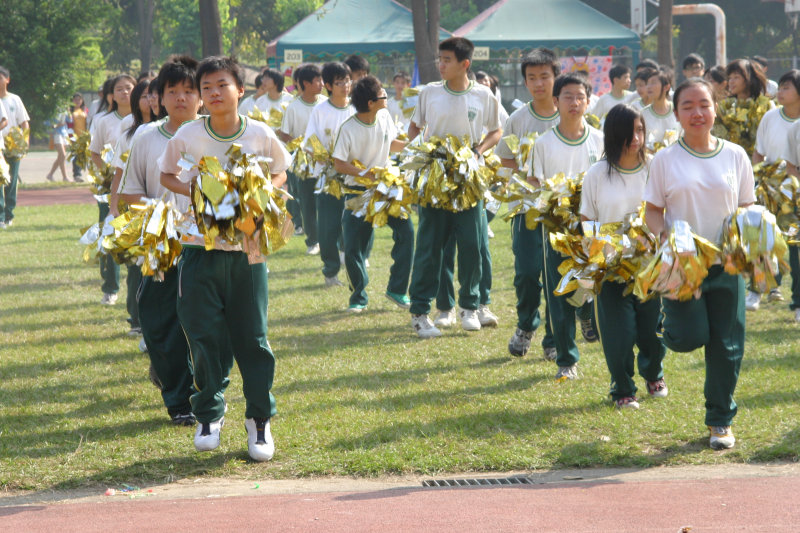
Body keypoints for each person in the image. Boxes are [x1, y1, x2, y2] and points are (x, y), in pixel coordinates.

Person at [159, 56, 290, 462]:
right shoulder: (188, 136)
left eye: (222, 85)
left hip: (247, 251)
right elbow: (167, 174)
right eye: (207, 88)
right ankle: (210, 413)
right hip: (199, 248)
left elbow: (281, 171)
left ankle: (259, 420)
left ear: (240, 89)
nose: (214, 93)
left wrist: (260, 191)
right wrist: (197, 192)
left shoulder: (261, 134)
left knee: (252, 337)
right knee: (202, 334)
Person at [644, 78, 754, 450]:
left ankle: (720, 421)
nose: (697, 112)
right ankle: (668, 322)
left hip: (726, 264)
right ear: (676, 113)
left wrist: (749, 228)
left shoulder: (735, 155)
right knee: (690, 337)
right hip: (683, 265)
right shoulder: (665, 159)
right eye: (688, 106)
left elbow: (745, 205)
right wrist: (666, 238)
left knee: (727, 345)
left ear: (715, 108)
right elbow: (653, 212)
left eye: (704, 104)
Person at [119, 55, 208, 426]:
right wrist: (161, 215)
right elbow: (130, 192)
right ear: (159, 97)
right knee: (158, 321)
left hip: (205, 243)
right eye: (173, 91)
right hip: (160, 242)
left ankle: (202, 392)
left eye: (189, 91)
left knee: (202, 322)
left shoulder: (211, 133)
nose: (181, 98)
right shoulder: (145, 136)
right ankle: (178, 398)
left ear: (201, 96)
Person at [407, 36, 501, 338]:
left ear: (465, 64)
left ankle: (469, 306)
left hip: (469, 179)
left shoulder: (484, 95)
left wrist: (478, 151)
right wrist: (418, 155)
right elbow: (415, 127)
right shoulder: (429, 93)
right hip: (434, 178)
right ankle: (421, 312)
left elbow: (496, 130)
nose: (441, 65)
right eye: (440, 59)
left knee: (473, 246)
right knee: (429, 247)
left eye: (447, 60)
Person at [580, 104, 666, 409]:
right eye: (628, 131)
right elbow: (587, 218)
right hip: (612, 267)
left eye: (640, 130)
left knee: (651, 329)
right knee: (618, 333)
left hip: (649, 266)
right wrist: (595, 253)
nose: (635, 138)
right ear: (613, 134)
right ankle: (623, 389)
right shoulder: (597, 173)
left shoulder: (654, 167)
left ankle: (653, 373)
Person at [529, 73, 603, 380]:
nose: (575, 103)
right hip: (558, 231)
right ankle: (566, 359)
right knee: (559, 292)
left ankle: (586, 312)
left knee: (591, 286)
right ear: (556, 101)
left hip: (594, 227)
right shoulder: (543, 144)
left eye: (580, 97)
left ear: (588, 101)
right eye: (568, 97)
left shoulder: (599, 140)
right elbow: (534, 184)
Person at [495, 48, 561, 359]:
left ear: (555, 77)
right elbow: (505, 157)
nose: (538, 83)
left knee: (558, 274)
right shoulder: (517, 119)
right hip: (525, 208)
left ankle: (554, 337)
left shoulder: (569, 115)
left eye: (544, 76)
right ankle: (526, 325)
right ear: (524, 81)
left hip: (563, 210)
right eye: (532, 78)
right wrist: (526, 174)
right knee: (526, 271)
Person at [332, 75, 413, 312]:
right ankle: (358, 296)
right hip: (358, 191)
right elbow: (339, 163)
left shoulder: (385, 116)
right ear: (370, 102)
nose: (387, 96)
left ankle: (397, 289)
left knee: (406, 232)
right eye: (382, 95)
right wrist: (365, 174)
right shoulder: (347, 128)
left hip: (386, 188)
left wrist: (414, 147)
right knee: (354, 245)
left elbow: (391, 143)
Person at [748, 70, 800, 313]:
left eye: (786, 87)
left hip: (795, 190)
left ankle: (795, 298)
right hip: (770, 188)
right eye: (779, 87)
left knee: (794, 244)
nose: (780, 92)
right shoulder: (770, 117)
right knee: (764, 240)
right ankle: (757, 289)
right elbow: (759, 152)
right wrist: (755, 178)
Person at [303, 62, 355, 287]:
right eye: (339, 82)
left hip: (354, 175)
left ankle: (355, 266)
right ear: (328, 86)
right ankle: (331, 271)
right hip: (327, 177)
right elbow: (310, 141)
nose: (345, 86)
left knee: (354, 223)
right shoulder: (320, 110)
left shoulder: (356, 108)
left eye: (347, 81)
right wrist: (326, 157)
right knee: (328, 225)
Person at [89, 73, 135, 305]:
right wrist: (107, 173)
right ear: (112, 95)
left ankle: (136, 287)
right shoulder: (104, 120)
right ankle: (110, 287)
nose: (125, 92)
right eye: (120, 89)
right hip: (111, 187)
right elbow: (95, 152)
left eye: (129, 88)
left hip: (137, 188)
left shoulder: (145, 119)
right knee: (110, 233)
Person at [278, 63, 326, 255]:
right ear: (305, 83)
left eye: (322, 80)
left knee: (327, 201)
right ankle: (313, 241)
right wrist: (300, 145)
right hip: (304, 162)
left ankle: (331, 240)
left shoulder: (325, 104)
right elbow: (284, 133)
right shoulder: (293, 107)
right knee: (307, 202)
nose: (322, 84)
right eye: (317, 80)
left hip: (325, 161)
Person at [0, 66, 30, 229]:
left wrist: (24, 141)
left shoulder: (14, 99)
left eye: (0, 78)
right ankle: (0, 215)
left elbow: (24, 122)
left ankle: (9, 213)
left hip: (12, 145)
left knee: (11, 180)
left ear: (7, 80)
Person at [642, 68, 681, 148]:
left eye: (653, 83)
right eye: (647, 83)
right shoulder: (643, 114)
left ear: (666, 87)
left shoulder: (678, 110)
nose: (648, 87)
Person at [45, 108, 71, 182]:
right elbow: (48, 123)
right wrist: (56, 125)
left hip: (64, 133)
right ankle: (64, 177)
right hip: (56, 133)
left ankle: (51, 174)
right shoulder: (52, 110)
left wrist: (68, 112)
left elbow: (69, 120)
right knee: (62, 154)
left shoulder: (64, 110)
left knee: (61, 156)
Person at [68, 93, 88, 181]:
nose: (77, 101)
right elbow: (69, 125)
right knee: (76, 155)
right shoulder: (70, 111)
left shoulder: (85, 110)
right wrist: (71, 137)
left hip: (83, 137)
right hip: (74, 136)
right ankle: (77, 174)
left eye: (79, 99)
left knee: (82, 155)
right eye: (75, 99)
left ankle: (80, 173)